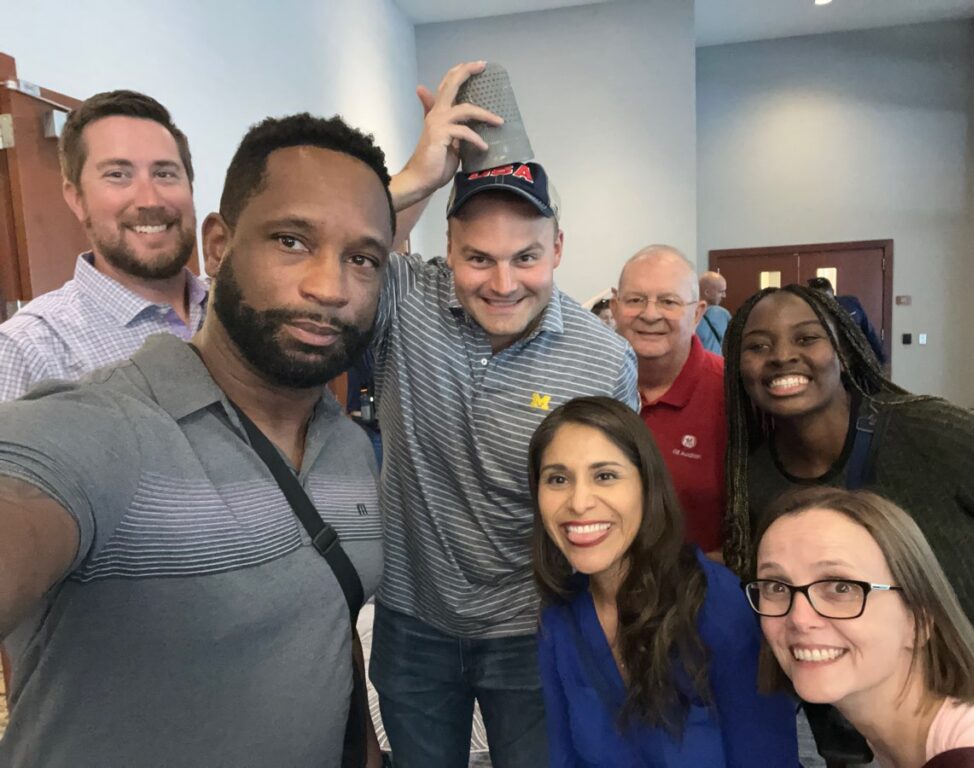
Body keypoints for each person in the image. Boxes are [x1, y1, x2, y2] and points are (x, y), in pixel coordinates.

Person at [0, 113, 392, 766]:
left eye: (362, 259)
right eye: (291, 241)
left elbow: (326, 610)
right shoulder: (108, 427)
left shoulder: (348, 449)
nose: (330, 289)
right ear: (218, 244)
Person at [368, 61, 639, 768]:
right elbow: (350, 255)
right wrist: (415, 179)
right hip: (411, 620)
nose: (503, 282)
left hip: (537, 627)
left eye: (526, 256)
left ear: (559, 248)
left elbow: (621, 506)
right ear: (446, 251)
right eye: (477, 259)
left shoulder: (602, 358)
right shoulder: (408, 302)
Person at [721, 283, 974, 762]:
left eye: (806, 339)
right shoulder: (754, 478)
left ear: (843, 346)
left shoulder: (931, 431)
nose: (782, 356)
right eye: (757, 346)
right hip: (859, 682)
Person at [529, 396, 797, 767]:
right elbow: (564, 757)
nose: (578, 502)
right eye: (557, 479)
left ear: (647, 485)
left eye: (605, 476)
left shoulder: (718, 608)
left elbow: (767, 757)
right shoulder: (560, 620)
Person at [746, 486, 974, 767]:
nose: (799, 618)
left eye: (841, 587)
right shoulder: (906, 738)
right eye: (775, 586)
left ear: (918, 618)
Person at [0, 90, 208, 402]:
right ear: (76, 198)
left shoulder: (236, 309)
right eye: (118, 175)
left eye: (164, 173)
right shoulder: (29, 351)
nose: (149, 199)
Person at [613, 246, 726, 557]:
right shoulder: (590, 387)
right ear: (614, 306)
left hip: (702, 592)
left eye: (668, 301)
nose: (650, 314)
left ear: (698, 313)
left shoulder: (733, 393)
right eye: (635, 300)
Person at [806, 276, 885, 365]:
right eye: (819, 298)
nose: (824, 302)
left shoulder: (850, 304)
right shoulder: (808, 314)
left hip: (857, 360)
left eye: (826, 297)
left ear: (832, 292)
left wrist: (880, 358)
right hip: (829, 362)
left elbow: (868, 331)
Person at [697, 270, 730, 355]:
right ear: (707, 292)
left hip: (719, 366)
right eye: (721, 292)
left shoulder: (724, 314)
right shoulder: (689, 315)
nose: (724, 296)